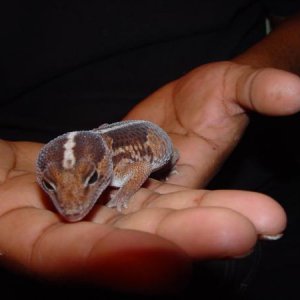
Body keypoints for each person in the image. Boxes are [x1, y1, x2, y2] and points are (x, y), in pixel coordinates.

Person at [0, 1, 300, 298]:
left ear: (104, 167)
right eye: (51, 185)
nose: (70, 205)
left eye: (91, 179)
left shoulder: (117, 168)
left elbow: (141, 167)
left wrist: (124, 193)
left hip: (249, 166)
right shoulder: (82, 159)